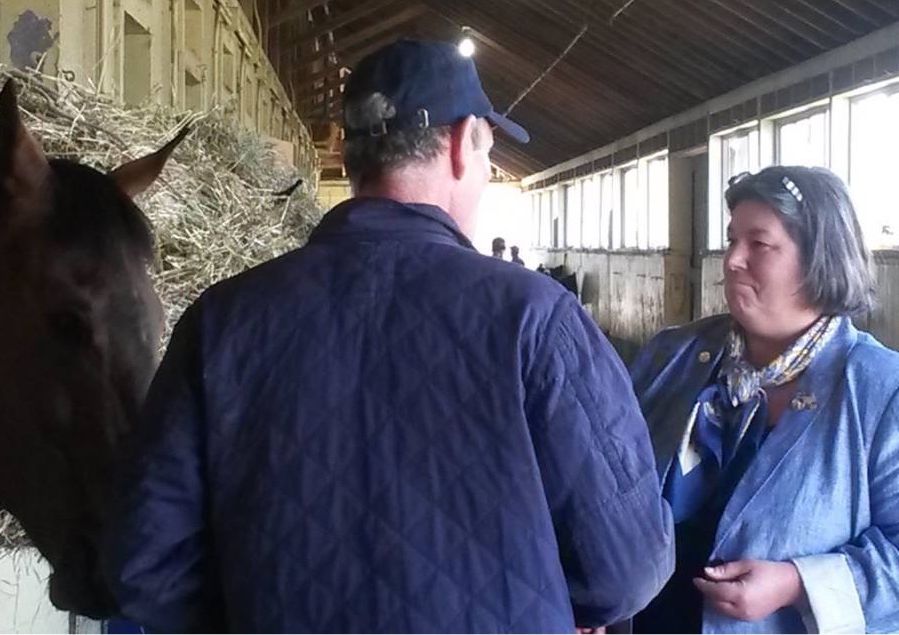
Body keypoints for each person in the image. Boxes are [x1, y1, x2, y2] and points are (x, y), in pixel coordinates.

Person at [106, 39, 673, 633]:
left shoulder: (221, 319)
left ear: (352, 159)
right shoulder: (535, 317)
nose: (483, 172)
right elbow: (626, 566)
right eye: (487, 154)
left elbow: (145, 563)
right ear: (460, 145)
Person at [630, 166, 899, 633]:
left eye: (759, 244)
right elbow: (607, 483)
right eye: (732, 240)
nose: (732, 259)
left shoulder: (879, 391)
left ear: (820, 259)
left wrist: (798, 584)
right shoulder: (673, 356)